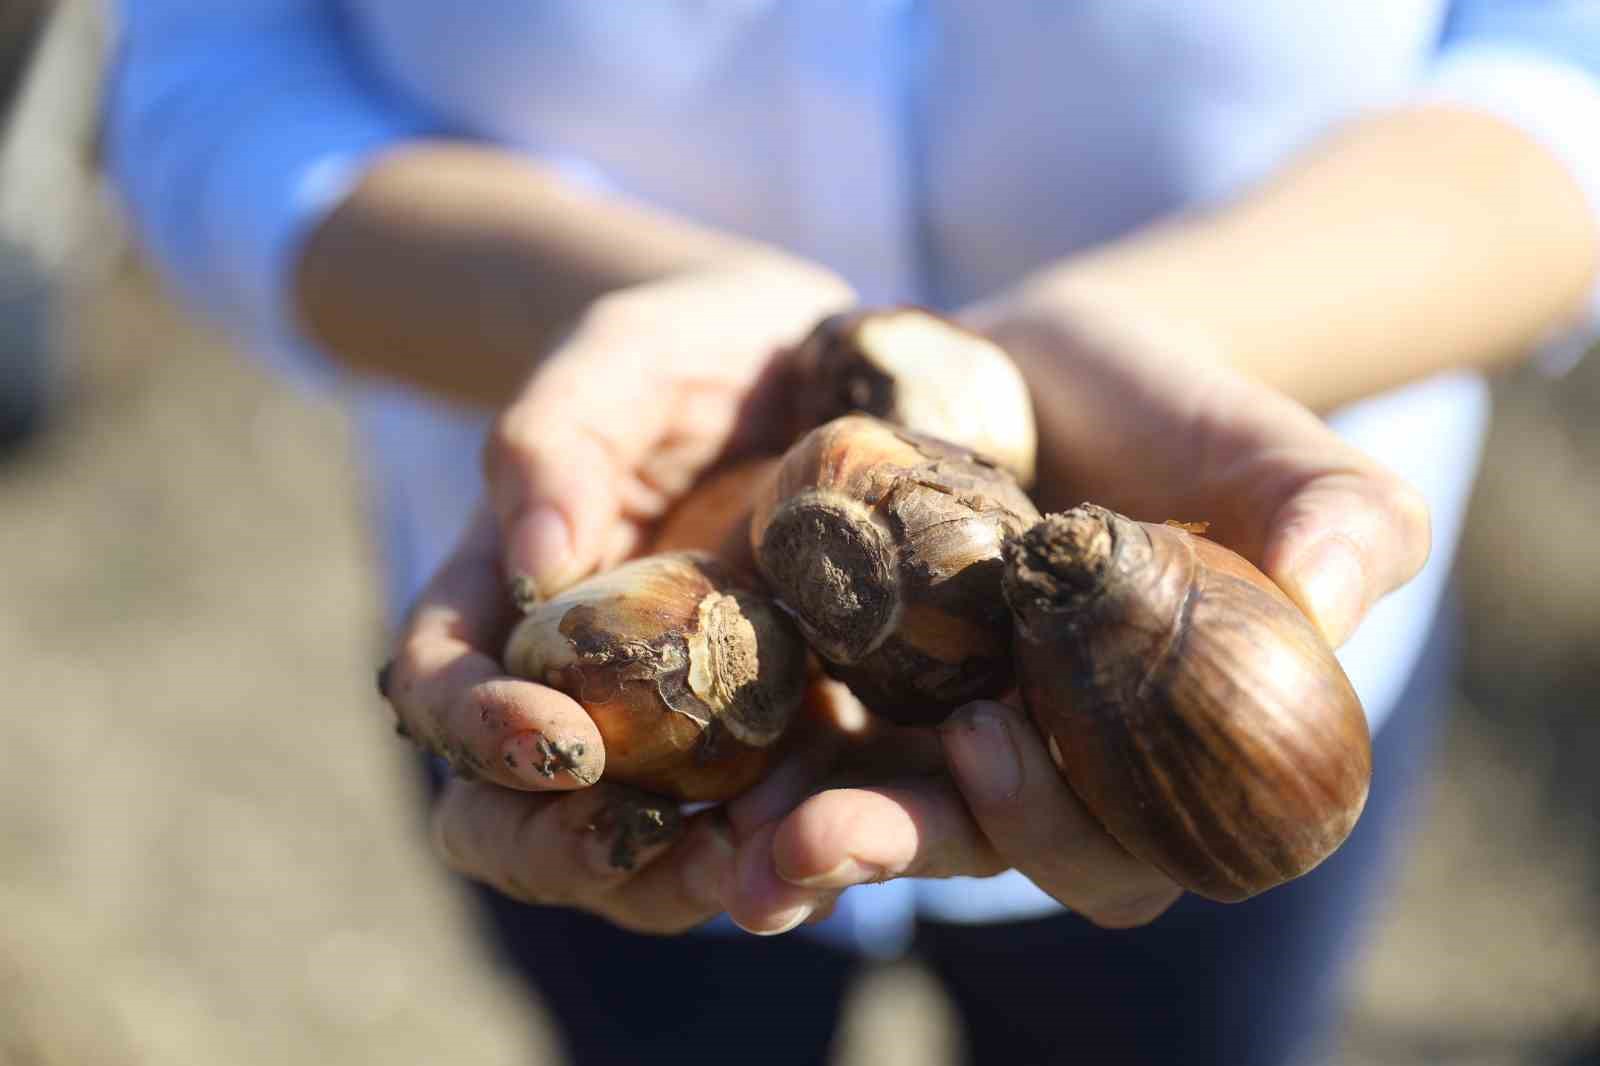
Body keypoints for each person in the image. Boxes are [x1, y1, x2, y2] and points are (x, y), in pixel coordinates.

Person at [104, 4, 1600, 1064]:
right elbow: (201, 67)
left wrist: (1173, 339)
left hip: (1218, 712)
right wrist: (601, 314)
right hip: (598, 624)